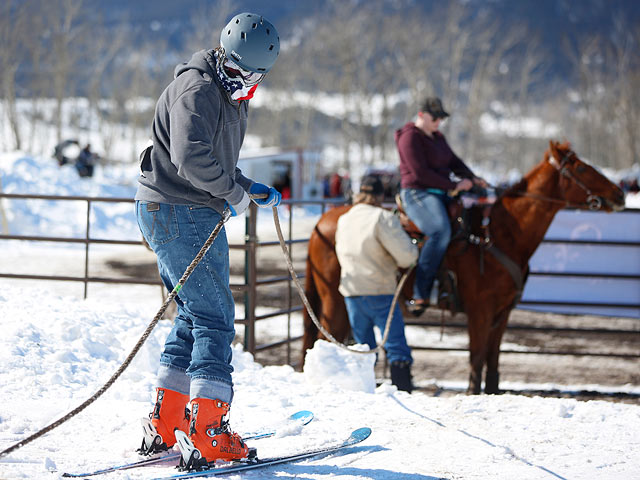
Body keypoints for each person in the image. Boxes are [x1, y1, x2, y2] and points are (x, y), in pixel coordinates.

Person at [134, 12, 281, 464]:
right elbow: (190, 156)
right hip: (181, 211)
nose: (248, 82)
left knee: (193, 317)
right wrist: (232, 193)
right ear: (226, 58)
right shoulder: (197, 89)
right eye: (242, 72)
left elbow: (212, 154)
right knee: (216, 318)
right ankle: (208, 431)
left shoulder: (226, 92)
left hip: (182, 208)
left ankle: (170, 420)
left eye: (255, 76)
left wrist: (246, 185)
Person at [395, 97, 486, 316]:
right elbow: (420, 174)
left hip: (441, 193)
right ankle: (420, 292)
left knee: (471, 224)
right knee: (439, 231)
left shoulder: (437, 138)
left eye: (440, 118)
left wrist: (472, 178)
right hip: (417, 193)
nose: (438, 122)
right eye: (434, 117)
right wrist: (454, 185)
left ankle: (456, 284)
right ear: (421, 115)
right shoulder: (409, 138)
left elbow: (454, 162)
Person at [334, 176, 419, 392]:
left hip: (352, 290)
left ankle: (367, 391)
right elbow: (407, 257)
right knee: (394, 343)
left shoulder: (344, 219)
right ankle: (403, 389)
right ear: (381, 195)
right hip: (379, 289)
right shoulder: (382, 218)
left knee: (364, 348)